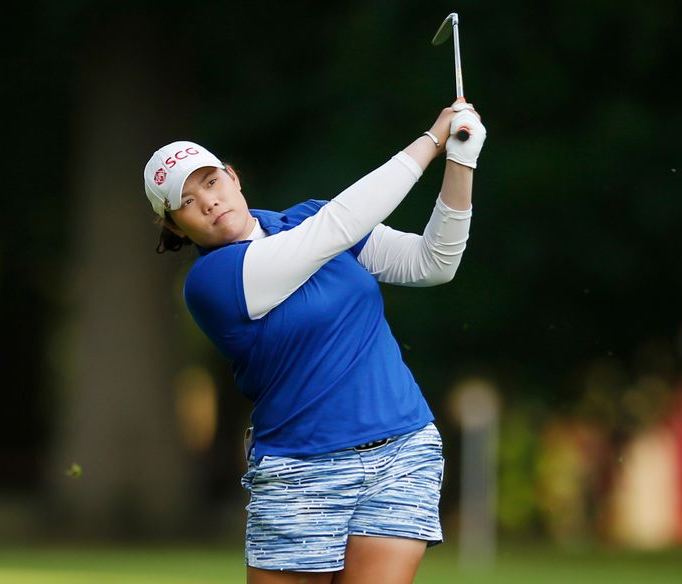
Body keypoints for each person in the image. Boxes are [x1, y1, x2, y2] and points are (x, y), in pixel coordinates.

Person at [143, 101, 486, 584]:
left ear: (233, 178)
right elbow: (332, 232)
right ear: (176, 227)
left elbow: (433, 263)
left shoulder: (309, 217)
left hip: (402, 449)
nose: (208, 201)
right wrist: (430, 141)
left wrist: (460, 161)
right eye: (186, 202)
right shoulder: (212, 282)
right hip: (299, 470)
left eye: (211, 182)